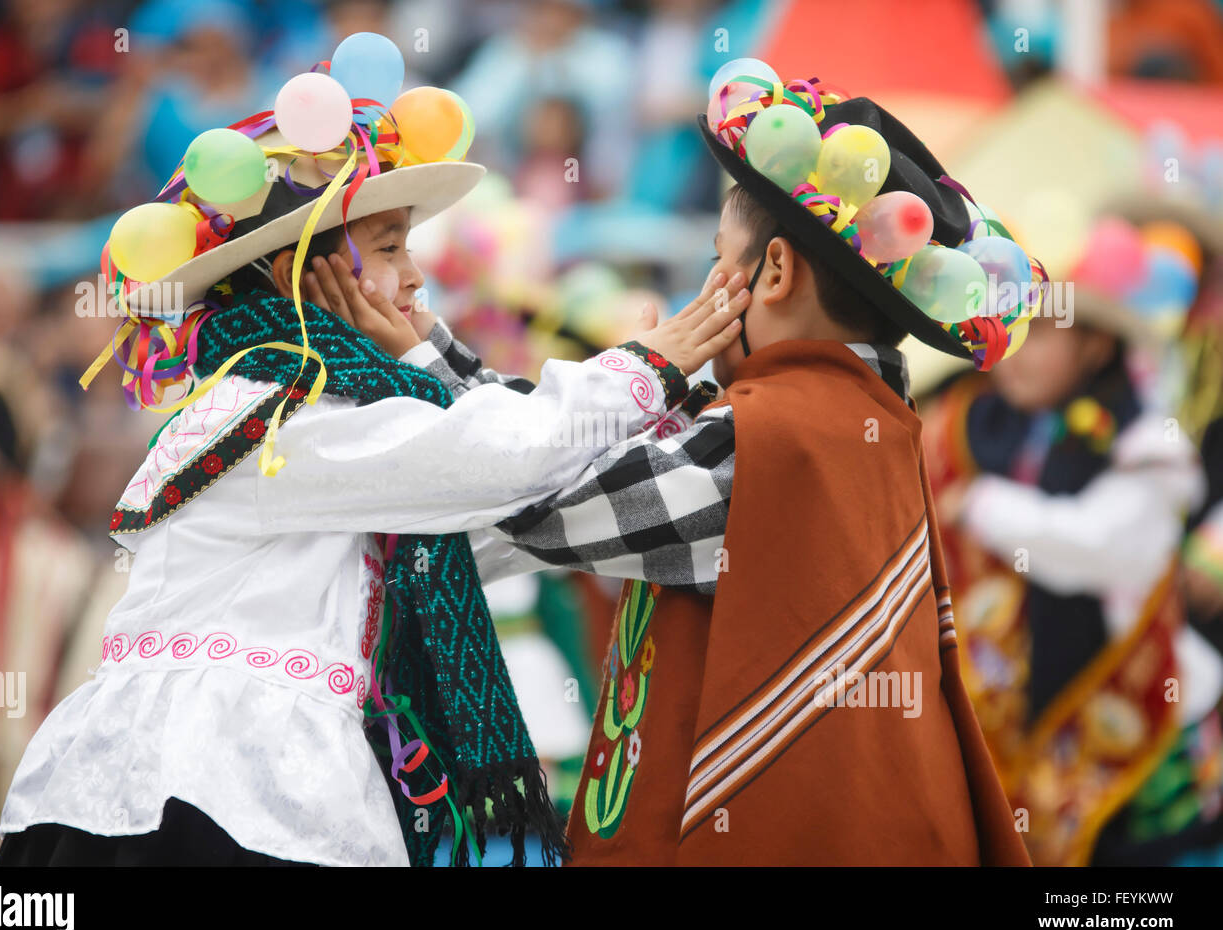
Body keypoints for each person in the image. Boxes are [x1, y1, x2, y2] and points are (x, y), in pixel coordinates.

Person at [0, 54, 746, 868]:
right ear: (302, 274)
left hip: (253, 796)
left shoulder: (337, 410)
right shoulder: (276, 412)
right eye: (388, 247)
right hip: (198, 797)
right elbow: (499, 461)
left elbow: (507, 513)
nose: (415, 277)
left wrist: (646, 412)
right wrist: (645, 365)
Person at [358, 69, 1038, 864]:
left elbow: (536, 496)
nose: (704, 285)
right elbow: (562, 467)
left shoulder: (778, 437)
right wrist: (446, 350)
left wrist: (429, 357)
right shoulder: (846, 421)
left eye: (719, 259)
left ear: (774, 273)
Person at [922, 216, 1222, 866]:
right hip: (1004, 709)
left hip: (1128, 716)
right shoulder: (966, 420)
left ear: (1094, 345)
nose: (1017, 350)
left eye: (1041, 334)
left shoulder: (1149, 445)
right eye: (1009, 330)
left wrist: (981, 505)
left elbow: (1106, 549)